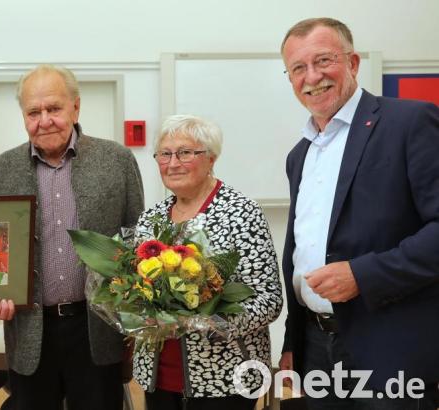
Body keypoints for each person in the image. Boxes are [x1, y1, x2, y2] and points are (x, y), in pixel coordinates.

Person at [278, 17, 439, 409]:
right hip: (317, 347)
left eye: (323, 61)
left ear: (352, 63)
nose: (312, 77)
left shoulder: (409, 122)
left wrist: (362, 276)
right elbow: (303, 253)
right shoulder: (300, 155)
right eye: (298, 68)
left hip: (390, 347)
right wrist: (291, 342)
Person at [0, 64, 145, 410]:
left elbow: (137, 243)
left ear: (76, 107)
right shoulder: (2, 168)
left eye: (54, 109)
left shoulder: (116, 160)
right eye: (33, 112)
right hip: (30, 331)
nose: (44, 120)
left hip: (96, 328)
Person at [131, 114, 283, 409]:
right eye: (165, 154)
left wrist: (205, 322)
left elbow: (268, 299)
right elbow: (137, 289)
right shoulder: (151, 219)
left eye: (185, 152)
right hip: (158, 375)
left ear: (211, 158)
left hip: (225, 376)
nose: (173, 163)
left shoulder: (241, 213)